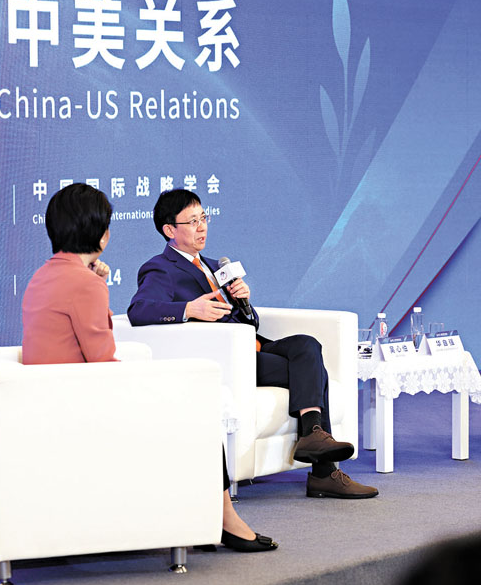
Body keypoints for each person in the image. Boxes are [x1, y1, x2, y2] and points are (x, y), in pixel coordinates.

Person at [22, 183, 277, 552]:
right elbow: (102, 362)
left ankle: (204, 515)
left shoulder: (43, 276)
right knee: (199, 405)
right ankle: (223, 517)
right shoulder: (85, 284)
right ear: (101, 234)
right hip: (82, 404)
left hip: (50, 398)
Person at [128, 189, 378, 500]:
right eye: (192, 222)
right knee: (314, 372)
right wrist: (190, 308)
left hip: (250, 343)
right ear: (170, 230)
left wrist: (244, 301)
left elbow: (249, 323)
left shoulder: (213, 265)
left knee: (307, 345)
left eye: (204, 218)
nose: (202, 227)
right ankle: (323, 469)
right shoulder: (160, 268)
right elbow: (139, 310)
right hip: (228, 356)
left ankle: (314, 440)